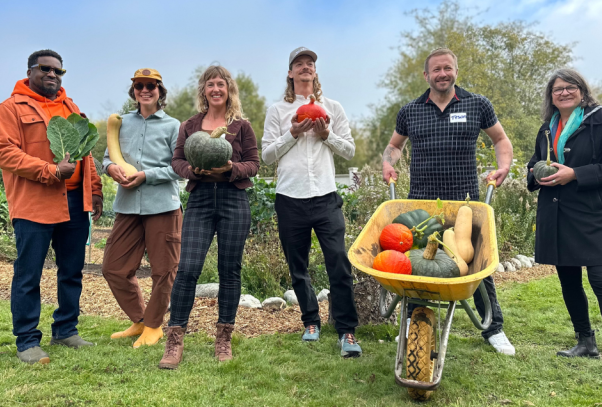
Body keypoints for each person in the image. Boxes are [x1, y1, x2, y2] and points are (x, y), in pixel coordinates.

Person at [381, 48, 516, 356]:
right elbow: (394, 145)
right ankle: (414, 322)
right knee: (418, 264)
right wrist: (389, 162)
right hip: (422, 205)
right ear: (426, 75)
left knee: (476, 267)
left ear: (456, 71)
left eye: (448, 68)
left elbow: (501, 140)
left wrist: (503, 166)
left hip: (464, 203)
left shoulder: (477, 104)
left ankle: (493, 328)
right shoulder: (410, 110)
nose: (442, 74)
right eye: (436, 70)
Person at [527, 68, 602, 387]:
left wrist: (575, 173)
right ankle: (586, 341)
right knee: (568, 279)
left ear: (582, 90)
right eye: (557, 89)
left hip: (594, 214)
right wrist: (535, 175)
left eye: (570, 87)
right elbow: (534, 162)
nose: (563, 93)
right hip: (558, 213)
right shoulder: (548, 128)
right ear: (550, 96)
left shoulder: (601, 119)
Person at [0, 49, 103, 364]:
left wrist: (95, 189)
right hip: (34, 204)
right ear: (30, 71)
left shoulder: (71, 107)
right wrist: (50, 172)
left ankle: (66, 329)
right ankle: (27, 341)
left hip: (75, 205)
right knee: (29, 273)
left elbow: (86, 154)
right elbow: (5, 153)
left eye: (58, 71)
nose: (53, 75)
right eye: (45, 69)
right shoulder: (9, 109)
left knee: (72, 271)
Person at [261, 47, 362, 358]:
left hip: (326, 196)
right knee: (298, 266)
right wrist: (292, 134)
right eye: (299, 64)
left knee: (339, 262)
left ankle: (346, 330)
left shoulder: (332, 107)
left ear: (315, 72)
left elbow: (349, 150)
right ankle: (311, 322)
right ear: (290, 73)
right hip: (290, 197)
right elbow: (266, 156)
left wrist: (326, 134)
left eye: (310, 64)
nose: (305, 68)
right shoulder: (278, 111)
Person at [159, 65, 260, 369]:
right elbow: (177, 159)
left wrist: (231, 169)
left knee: (229, 271)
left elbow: (254, 164)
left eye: (221, 84)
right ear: (203, 90)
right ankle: (175, 339)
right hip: (201, 200)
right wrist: (191, 171)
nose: (216, 89)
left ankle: (224, 338)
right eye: (210, 85)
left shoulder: (241, 126)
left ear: (229, 89)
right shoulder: (190, 125)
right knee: (188, 269)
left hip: (233, 199)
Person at [101, 68, 182, 348]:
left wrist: (147, 175)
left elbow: (179, 167)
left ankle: (154, 326)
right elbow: (107, 157)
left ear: (160, 91)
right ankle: (140, 319)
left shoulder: (174, 126)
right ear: (133, 91)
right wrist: (111, 168)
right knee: (113, 267)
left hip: (163, 206)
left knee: (164, 271)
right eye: (139, 86)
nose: (145, 90)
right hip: (127, 206)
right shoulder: (120, 122)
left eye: (151, 86)